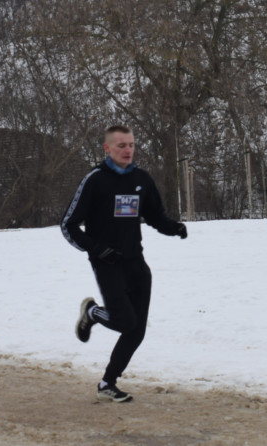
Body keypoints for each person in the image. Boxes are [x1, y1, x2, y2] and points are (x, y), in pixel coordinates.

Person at [62, 125, 188, 403]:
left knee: (136, 331)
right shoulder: (95, 180)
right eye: (121, 145)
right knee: (123, 321)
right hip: (107, 264)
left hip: (136, 263)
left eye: (131, 144)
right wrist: (96, 250)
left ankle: (108, 382)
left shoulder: (141, 179)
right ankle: (93, 312)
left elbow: (155, 216)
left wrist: (174, 228)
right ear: (107, 148)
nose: (128, 150)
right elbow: (68, 225)